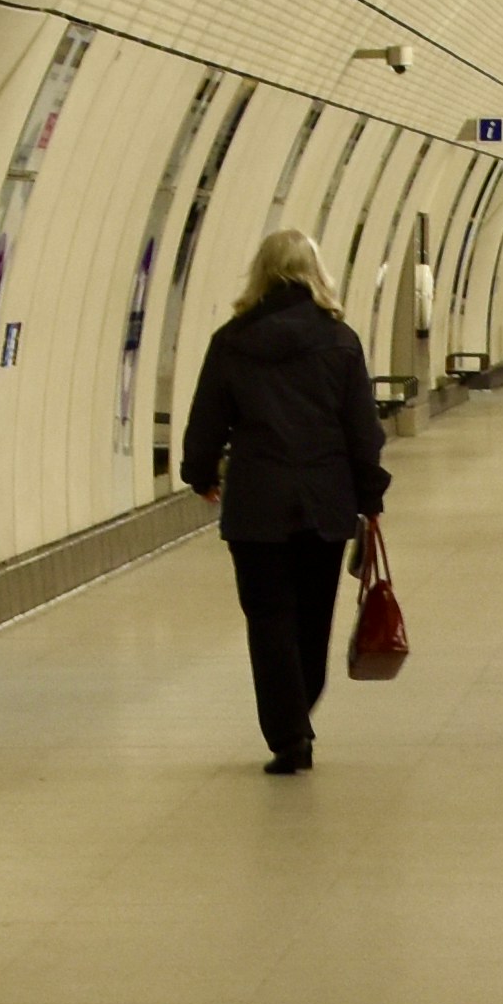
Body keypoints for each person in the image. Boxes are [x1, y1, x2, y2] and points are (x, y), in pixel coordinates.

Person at [178, 223, 390, 772]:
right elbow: (361, 428)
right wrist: (370, 493)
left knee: (268, 617)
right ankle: (300, 711)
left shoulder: (232, 341)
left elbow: (208, 416)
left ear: (261, 273)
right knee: (313, 616)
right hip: (325, 498)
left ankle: (288, 734)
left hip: (257, 500)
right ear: (316, 272)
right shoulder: (340, 341)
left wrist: (200, 472)